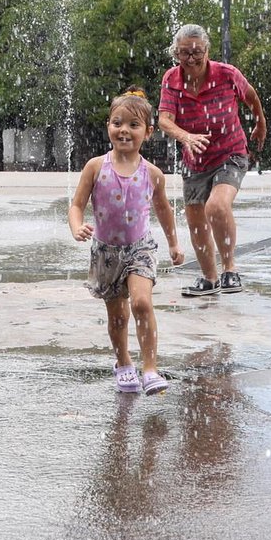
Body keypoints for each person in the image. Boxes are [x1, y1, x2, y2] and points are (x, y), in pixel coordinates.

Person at [69, 89, 185, 394]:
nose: (124, 130)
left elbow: (164, 211)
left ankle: (150, 369)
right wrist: (77, 225)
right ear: (108, 125)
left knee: (142, 304)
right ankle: (123, 363)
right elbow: (76, 204)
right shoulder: (95, 167)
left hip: (140, 249)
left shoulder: (152, 173)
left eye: (133, 125)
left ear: (147, 132)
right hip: (107, 253)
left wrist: (174, 244)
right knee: (118, 317)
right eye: (117, 122)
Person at [156, 24, 266, 297]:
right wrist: (186, 137)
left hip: (230, 152)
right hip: (194, 160)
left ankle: (230, 270)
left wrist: (260, 122)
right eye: (184, 53)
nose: (191, 59)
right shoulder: (172, 79)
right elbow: (164, 120)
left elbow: (251, 96)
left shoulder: (227, 74)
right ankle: (209, 278)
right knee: (195, 218)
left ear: (207, 50)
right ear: (176, 53)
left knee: (216, 207)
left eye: (196, 52)